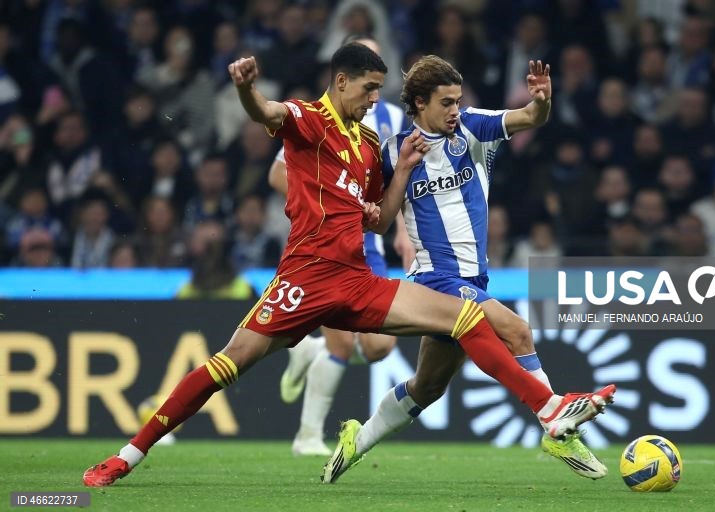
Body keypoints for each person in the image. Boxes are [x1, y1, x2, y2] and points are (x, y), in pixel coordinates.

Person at [82, 43, 615, 487]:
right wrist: (246, 87)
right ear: (341, 82)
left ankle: (547, 412)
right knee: (226, 365)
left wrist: (400, 172)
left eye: (380, 90)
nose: (374, 100)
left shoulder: (367, 147)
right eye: (368, 89)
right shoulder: (306, 121)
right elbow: (265, 113)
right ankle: (127, 455)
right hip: (301, 280)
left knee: (466, 321)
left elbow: (379, 221)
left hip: (356, 280)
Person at [322, 56, 609, 484]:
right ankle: (556, 424)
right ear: (419, 103)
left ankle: (355, 441)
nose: (455, 109)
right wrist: (391, 182)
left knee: (427, 388)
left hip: (474, 279)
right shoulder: (391, 150)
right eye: (446, 102)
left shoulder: (474, 127)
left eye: (458, 100)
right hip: (434, 280)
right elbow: (380, 222)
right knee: (517, 331)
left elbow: (531, 116)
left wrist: (542, 101)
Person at [269, 36, 415, 457]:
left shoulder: (387, 118)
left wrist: (401, 230)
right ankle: (308, 436)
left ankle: (307, 349)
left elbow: (389, 186)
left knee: (378, 346)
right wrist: (321, 199)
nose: (372, 91)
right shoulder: (316, 119)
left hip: (369, 240)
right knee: (340, 343)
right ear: (343, 75)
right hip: (324, 239)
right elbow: (278, 175)